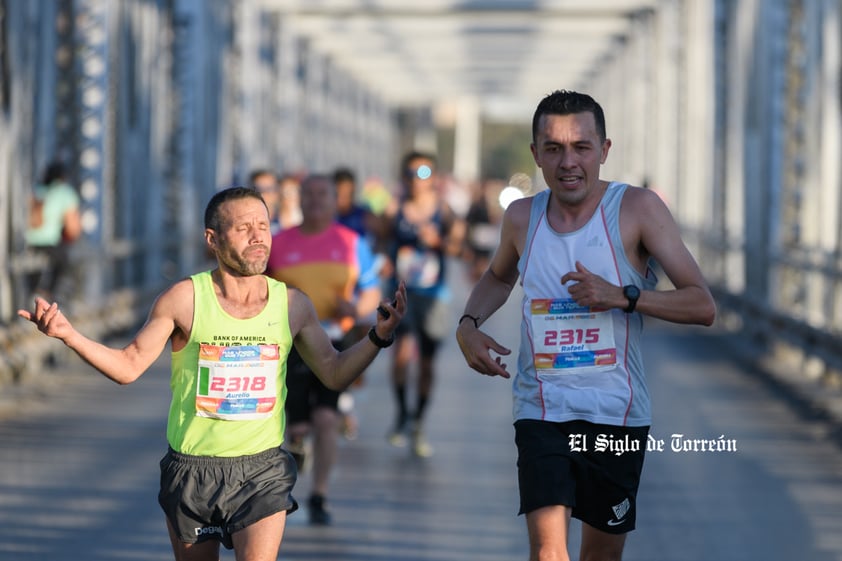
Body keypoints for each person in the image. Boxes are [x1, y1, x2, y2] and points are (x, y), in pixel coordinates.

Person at [18, 186, 405, 560]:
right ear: (213, 239)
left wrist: (377, 336)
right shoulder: (184, 300)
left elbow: (335, 373)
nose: (258, 238)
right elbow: (128, 366)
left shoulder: (292, 305)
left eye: (263, 226)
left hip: (262, 469)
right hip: (193, 471)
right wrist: (69, 335)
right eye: (243, 229)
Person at [455, 90, 716, 561]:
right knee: (548, 552)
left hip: (615, 413)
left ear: (605, 150)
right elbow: (498, 275)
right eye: (553, 148)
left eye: (581, 147)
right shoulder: (521, 217)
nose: (567, 161)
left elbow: (702, 305)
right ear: (535, 154)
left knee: (600, 555)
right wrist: (468, 324)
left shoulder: (637, 210)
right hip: (541, 409)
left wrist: (624, 295)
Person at [266, 174, 382, 525]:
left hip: (337, 339)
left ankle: (319, 494)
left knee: (327, 419)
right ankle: (298, 446)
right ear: (298, 199)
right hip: (292, 342)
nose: (315, 201)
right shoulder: (279, 243)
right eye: (309, 194)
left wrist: (359, 311)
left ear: (336, 201)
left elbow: (371, 290)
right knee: (298, 426)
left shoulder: (351, 242)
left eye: (323, 195)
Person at [381, 150, 465, 457]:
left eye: (425, 174)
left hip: (433, 296)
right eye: (411, 174)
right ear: (403, 178)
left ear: (434, 178)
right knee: (401, 356)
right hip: (401, 294)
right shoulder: (395, 210)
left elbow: (459, 248)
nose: (417, 180)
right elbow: (378, 240)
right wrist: (382, 262)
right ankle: (402, 411)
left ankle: (418, 420)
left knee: (427, 363)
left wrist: (439, 243)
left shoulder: (443, 212)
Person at [25, 160, 82, 300]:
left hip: (31, 241)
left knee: (34, 270)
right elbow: (72, 227)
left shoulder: (37, 189)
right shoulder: (66, 193)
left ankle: (33, 294)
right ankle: (49, 295)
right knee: (63, 263)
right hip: (50, 241)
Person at [249, 169, 282, 235]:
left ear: (277, 192)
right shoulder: (244, 223)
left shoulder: (289, 222)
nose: (263, 193)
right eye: (258, 189)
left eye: (269, 189)